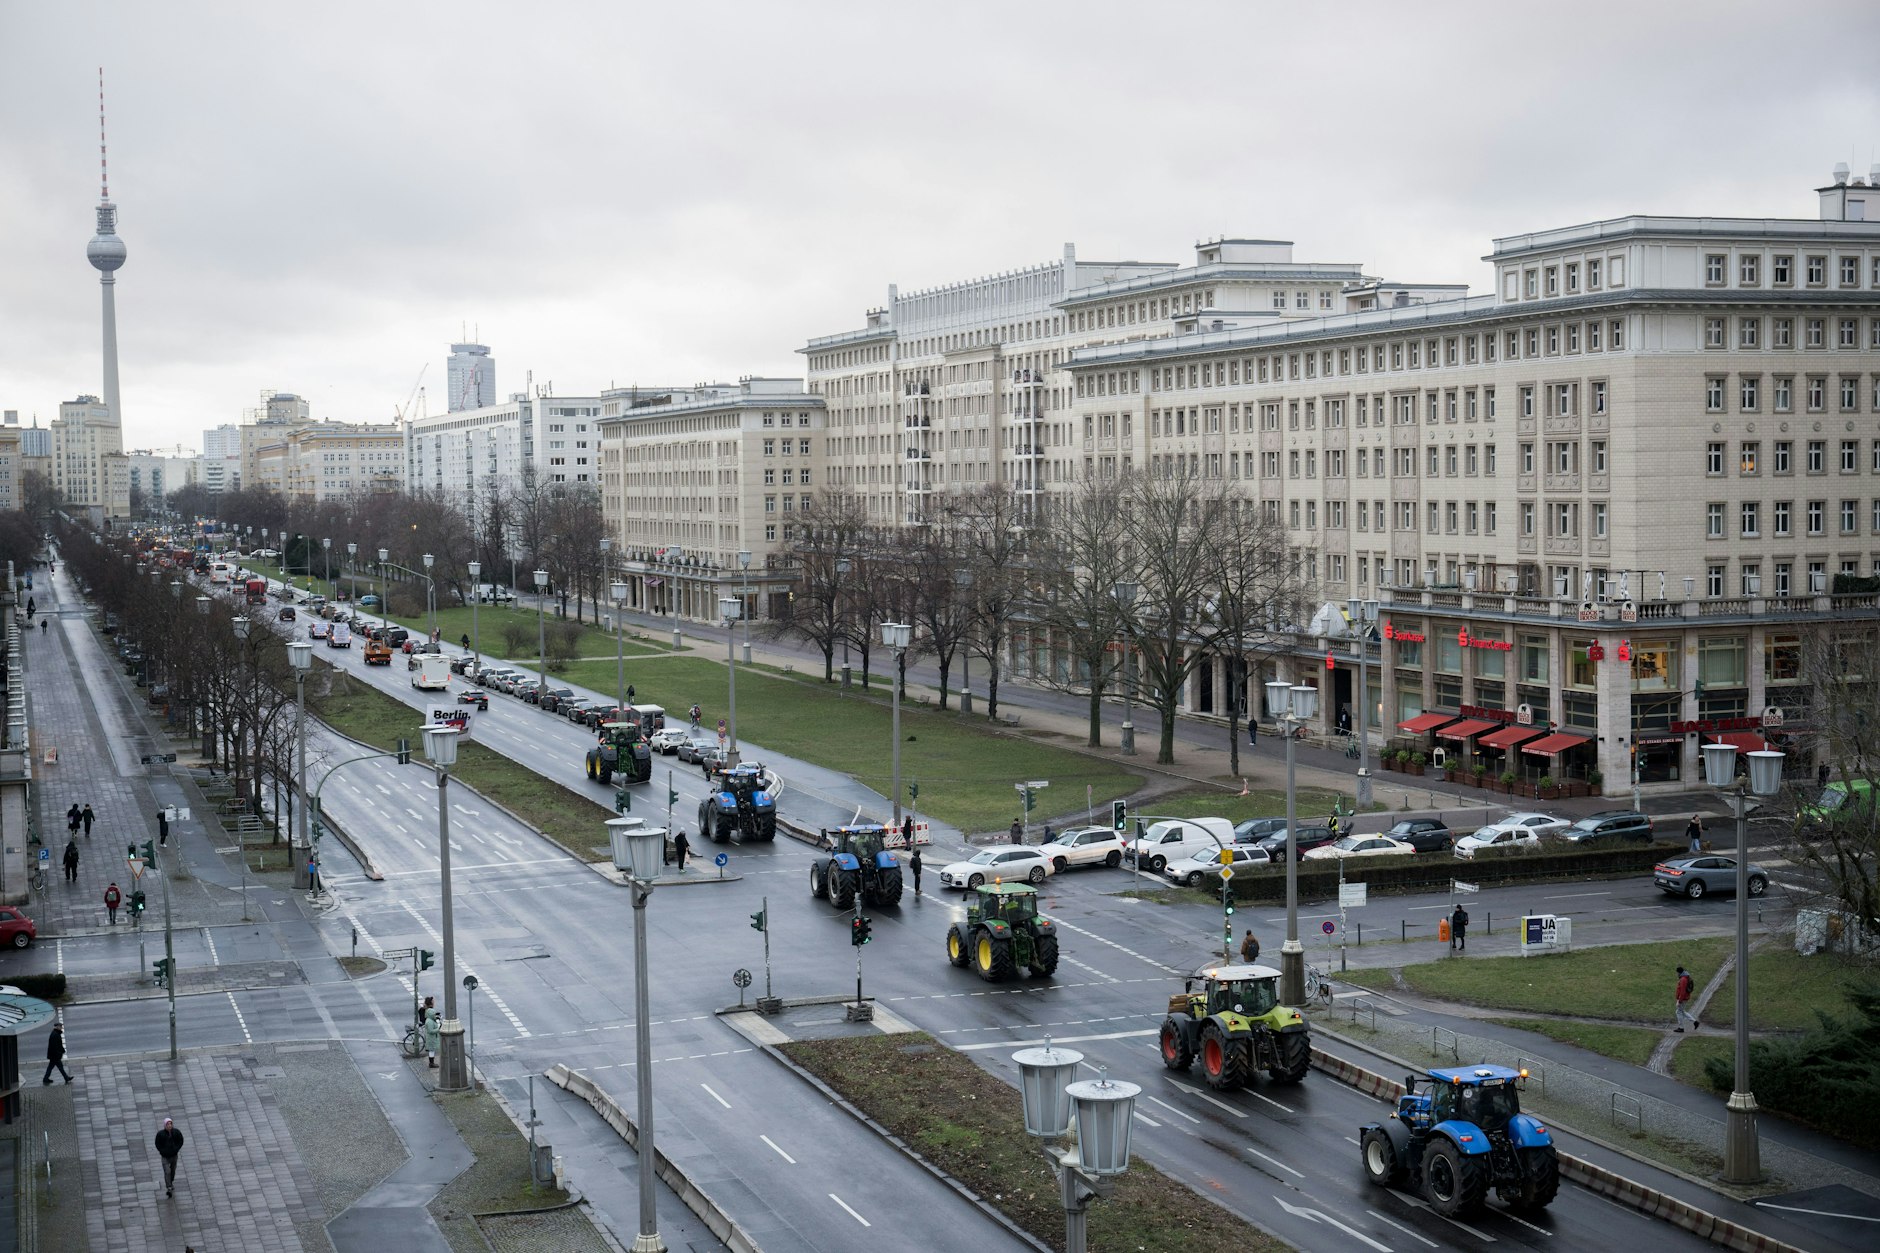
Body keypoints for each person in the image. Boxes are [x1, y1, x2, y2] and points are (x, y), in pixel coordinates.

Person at [154, 1118, 184, 1197]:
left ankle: (171, 1181)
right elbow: (157, 1143)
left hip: (174, 1155)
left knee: (173, 1170)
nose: (169, 1126)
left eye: (170, 1124)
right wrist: (162, 1151)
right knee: (167, 1171)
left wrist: (176, 1149)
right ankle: (169, 1187)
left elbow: (181, 1140)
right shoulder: (160, 1134)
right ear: (165, 1125)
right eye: (168, 1124)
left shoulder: (176, 1132)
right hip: (165, 1156)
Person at [1674, 965, 1699, 1032]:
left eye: (1677, 972)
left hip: (1683, 998)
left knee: (1679, 1012)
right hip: (1684, 998)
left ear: (1679, 972)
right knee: (1681, 1011)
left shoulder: (1683, 979)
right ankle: (1695, 1022)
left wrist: (1680, 1000)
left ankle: (1681, 1028)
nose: (1677, 974)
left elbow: (1682, 991)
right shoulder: (1685, 977)